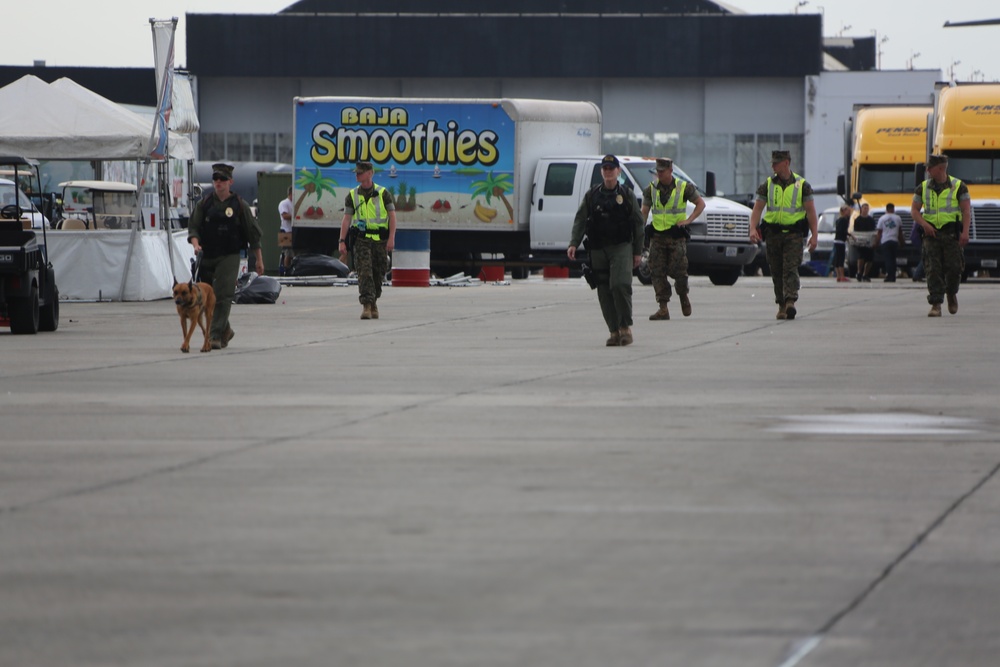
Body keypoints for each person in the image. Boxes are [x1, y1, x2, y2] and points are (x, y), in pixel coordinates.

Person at [567, 154, 644, 346]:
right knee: (603, 290)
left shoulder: (626, 195)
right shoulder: (592, 195)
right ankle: (614, 331)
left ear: (618, 171)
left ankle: (625, 327)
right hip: (598, 248)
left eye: (612, 168)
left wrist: (637, 251)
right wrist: (573, 243)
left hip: (621, 247)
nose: (608, 172)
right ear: (602, 172)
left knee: (619, 285)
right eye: (605, 169)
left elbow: (638, 224)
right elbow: (580, 219)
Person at [187, 162, 264, 349]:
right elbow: (194, 228)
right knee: (204, 298)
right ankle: (225, 330)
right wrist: (196, 245)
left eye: (222, 179)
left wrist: (259, 261)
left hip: (229, 255)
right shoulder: (204, 204)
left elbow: (253, 234)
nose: (218, 182)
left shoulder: (239, 205)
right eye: (215, 179)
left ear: (230, 181)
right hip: (208, 254)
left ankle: (213, 336)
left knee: (222, 295)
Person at [748, 150, 818, 320]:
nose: (773, 166)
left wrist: (814, 235)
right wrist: (752, 228)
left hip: (794, 234)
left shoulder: (802, 185)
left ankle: (790, 301)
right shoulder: (768, 184)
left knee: (790, 268)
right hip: (773, 234)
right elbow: (757, 208)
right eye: (772, 163)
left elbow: (810, 212)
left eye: (776, 163)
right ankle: (781, 304)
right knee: (776, 270)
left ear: (786, 163)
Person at [640, 157, 705, 320]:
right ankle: (663, 307)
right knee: (656, 272)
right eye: (658, 172)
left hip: (676, 237)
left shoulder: (684, 187)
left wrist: (688, 220)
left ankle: (683, 296)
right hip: (657, 236)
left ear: (670, 171)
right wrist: (640, 231)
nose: (659, 174)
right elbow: (644, 212)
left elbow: (700, 204)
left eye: (662, 171)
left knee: (680, 271)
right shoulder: (650, 189)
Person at [911, 154, 971, 317]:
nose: (928, 171)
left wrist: (965, 232)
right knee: (932, 269)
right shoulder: (922, 187)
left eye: (930, 168)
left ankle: (951, 293)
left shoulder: (959, 186)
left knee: (954, 268)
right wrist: (924, 225)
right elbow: (914, 210)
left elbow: (966, 210)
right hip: (931, 235)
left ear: (940, 169)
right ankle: (936, 304)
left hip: (951, 234)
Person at [339, 161, 396, 319]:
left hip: (380, 240)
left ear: (370, 173)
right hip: (362, 240)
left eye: (360, 172)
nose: (357, 175)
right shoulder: (352, 195)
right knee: (364, 272)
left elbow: (392, 216)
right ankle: (366, 306)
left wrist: (391, 238)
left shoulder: (383, 193)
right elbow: (346, 219)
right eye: (356, 173)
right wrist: (341, 241)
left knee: (378, 273)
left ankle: (374, 301)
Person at [874, 202, 904, 282]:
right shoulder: (898, 218)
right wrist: (902, 242)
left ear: (886, 209)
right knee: (893, 259)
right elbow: (900, 231)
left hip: (885, 241)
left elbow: (879, 232)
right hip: (894, 241)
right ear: (893, 209)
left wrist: (876, 243)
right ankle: (893, 276)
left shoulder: (882, 218)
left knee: (888, 259)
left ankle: (889, 276)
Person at [850, 203, 877, 281]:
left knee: (870, 259)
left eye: (867, 208)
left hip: (869, 241)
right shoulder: (857, 220)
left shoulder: (871, 220)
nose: (866, 209)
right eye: (864, 208)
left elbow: (873, 231)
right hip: (860, 241)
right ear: (861, 209)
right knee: (861, 257)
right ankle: (859, 272)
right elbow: (856, 231)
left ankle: (865, 274)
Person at [832, 204, 851, 282]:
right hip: (841, 241)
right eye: (848, 211)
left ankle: (838, 276)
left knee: (837, 259)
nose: (849, 212)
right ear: (843, 211)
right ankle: (842, 276)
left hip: (836, 240)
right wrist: (849, 236)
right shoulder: (844, 220)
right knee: (841, 259)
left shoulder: (838, 220)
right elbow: (843, 231)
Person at [278, 186, 294, 274]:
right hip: (285, 231)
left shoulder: (294, 203)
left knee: (292, 253)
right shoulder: (284, 203)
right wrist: (295, 217)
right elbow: (284, 216)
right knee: (288, 252)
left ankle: (290, 269)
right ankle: (286, 270)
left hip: (292, 231)